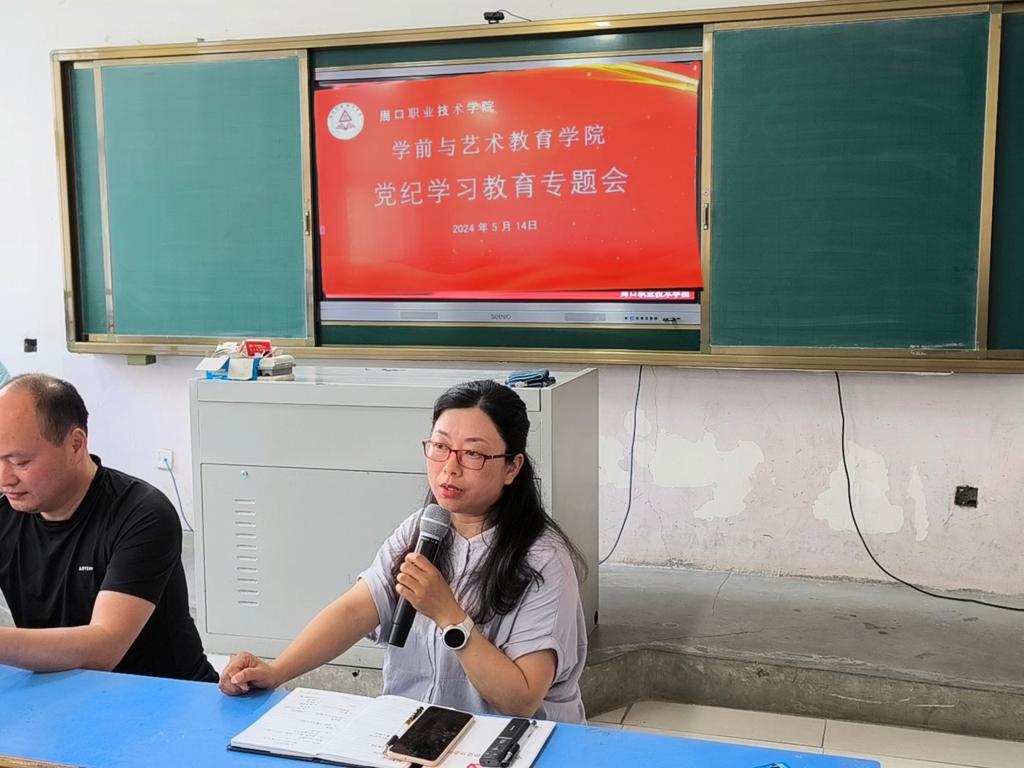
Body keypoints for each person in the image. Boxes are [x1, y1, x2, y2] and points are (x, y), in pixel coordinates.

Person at [220, 379, 589, 722]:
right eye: (440, 447)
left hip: (512, 746)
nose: (450, 468)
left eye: (473, 454)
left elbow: (521, 700)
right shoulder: (421, 529)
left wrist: (450, 616)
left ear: (512, 467)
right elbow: (354, 611)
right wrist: (276, 670)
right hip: (415, 733)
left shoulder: (543, 560)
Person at [0, 373, 217, 681]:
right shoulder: (6, 511)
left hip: (162, 694)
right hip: (61, 687)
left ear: (75, 444)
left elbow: (105, 647)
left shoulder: (141, 514)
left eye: (21, 463)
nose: (5, 479)